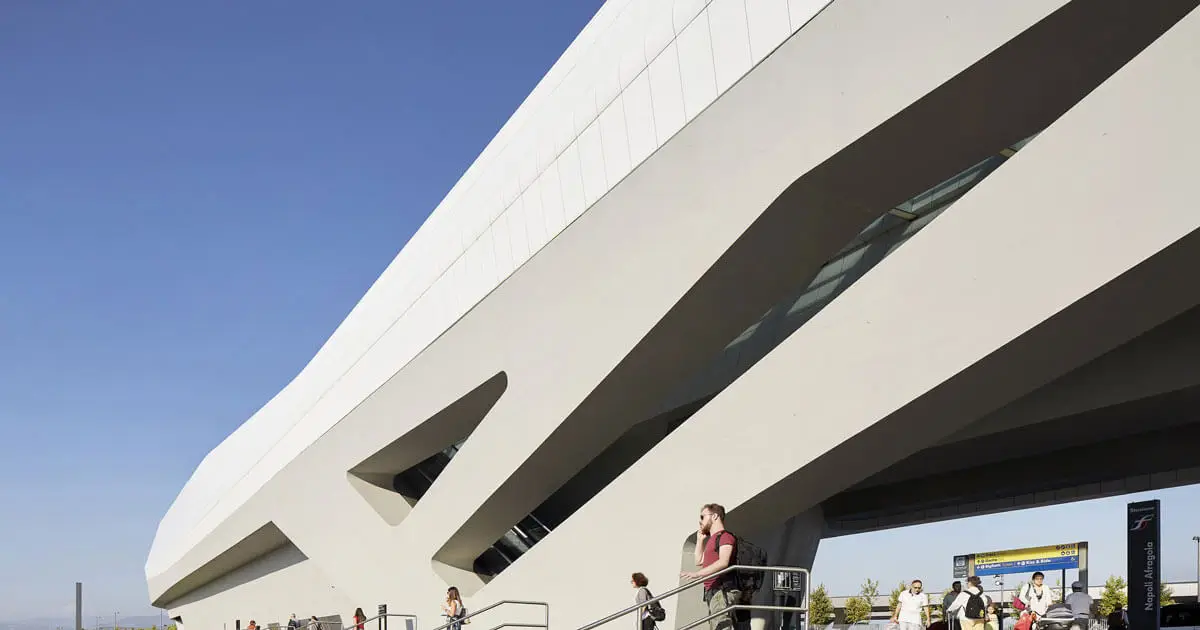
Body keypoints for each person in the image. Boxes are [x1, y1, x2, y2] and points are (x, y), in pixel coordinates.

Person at [680, 503, 737, 630]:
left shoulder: (725, 537)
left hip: (722, 590)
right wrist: (700, 540)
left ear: (715, 516)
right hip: (712, 591)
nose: (700, 521)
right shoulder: (712, 540)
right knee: (716, 625)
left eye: (702, 517)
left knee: (721, 625)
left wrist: (697, 574)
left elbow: (723, 562)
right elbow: (699, 561)